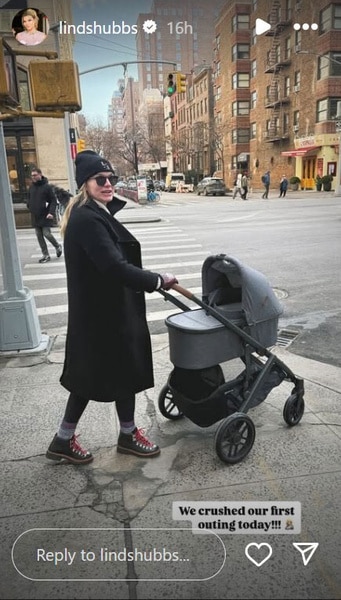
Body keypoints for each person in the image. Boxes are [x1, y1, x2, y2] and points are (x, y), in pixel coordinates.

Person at [46, 150, 178, 465]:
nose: (108, 184)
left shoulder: (92, 213)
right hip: (102, 314)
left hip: (106, 310)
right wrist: (156, 280)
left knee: (118, 371)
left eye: (111, 179)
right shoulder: (87, 218)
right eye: (99, 179)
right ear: (85, 184)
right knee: (92, 376)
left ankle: (120, 434)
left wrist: (150, 279)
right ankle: (70, 439)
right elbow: (113, 267)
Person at [27, 168, 62, 263]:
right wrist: (29, 206)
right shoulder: (31, 187)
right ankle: (45, 255)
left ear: (40, 175)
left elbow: (53, 201)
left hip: (45, 214)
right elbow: (29, 198)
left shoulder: (47, 187)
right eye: (32, 175)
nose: (33, 177)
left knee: (46, 233)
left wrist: (51, 212)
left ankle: (57, 246)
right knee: (39, 235)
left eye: (35, 175)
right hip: (35, 215)